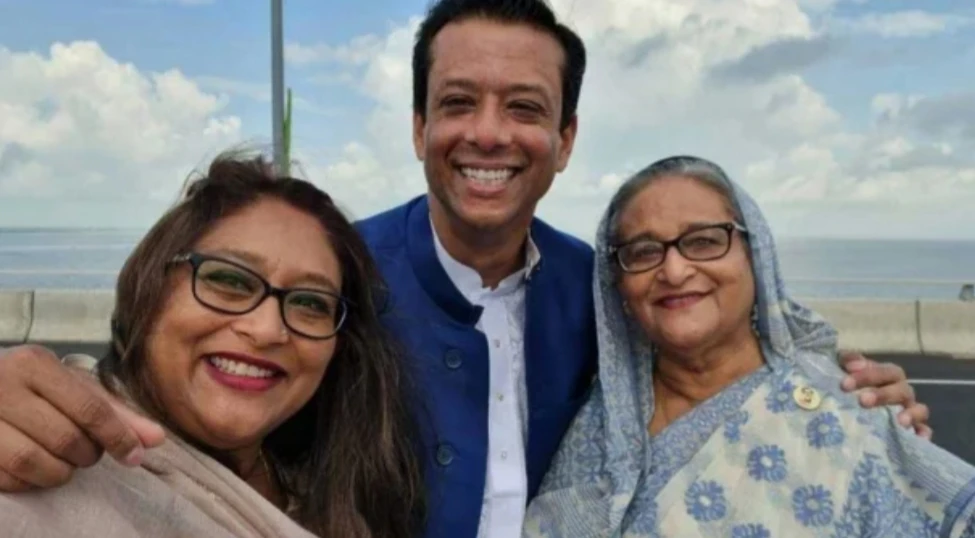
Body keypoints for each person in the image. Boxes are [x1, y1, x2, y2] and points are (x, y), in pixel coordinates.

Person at [0, 1, 931, 537]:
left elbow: (716, 387)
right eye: (457, 103)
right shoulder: (331, 281)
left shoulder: (608, 290)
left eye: (523, 107)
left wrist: (851, 400)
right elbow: (188, 407)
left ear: (565, 139)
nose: (489, 133)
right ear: (418, 127)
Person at [522, 155, 975, 537]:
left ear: (755, 256)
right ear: (618, 286)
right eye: (643, 251)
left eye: (704, 241)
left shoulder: (844, 418)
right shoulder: (592, 420)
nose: (674, 271)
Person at [0, 153, 425, 538]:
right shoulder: (40, 463)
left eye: (311, 303)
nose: (267, 329)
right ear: (149, 291)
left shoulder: (332, 481)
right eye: (228, 280)